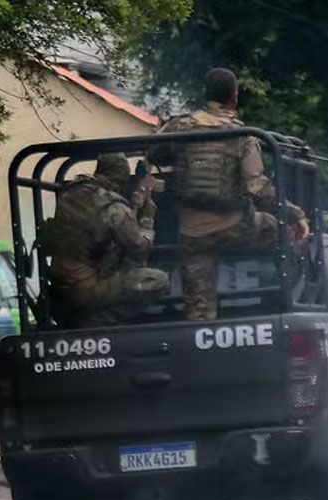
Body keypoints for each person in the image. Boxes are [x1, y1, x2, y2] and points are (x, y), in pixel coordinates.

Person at [149, 67, 310, 321]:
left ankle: (201, 331)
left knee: (199, 313)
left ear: (206, 94)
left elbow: (154, 155)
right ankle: (283, 299)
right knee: (278, 229)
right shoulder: (242, 135)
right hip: (235, 228)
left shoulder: (179, 127)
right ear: (234, 97)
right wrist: (295, 215)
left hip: (192, 234)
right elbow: (258, 189)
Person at [44, 152, 168, 328]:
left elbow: (91, 232)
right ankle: (101, 320)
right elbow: (139, 248)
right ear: (122, 176)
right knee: (157, 280)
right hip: (86, 290)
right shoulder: (113, 207)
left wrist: (133, 207)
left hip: (61, 289)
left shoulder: (70, 195)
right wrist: (147, 219)